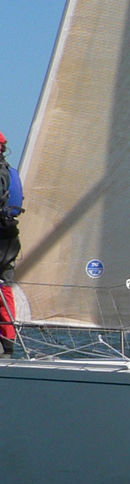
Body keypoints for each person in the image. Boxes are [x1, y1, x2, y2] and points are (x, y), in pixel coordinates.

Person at [0, 131, 22, 355]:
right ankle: (8, 344)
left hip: (1, 239)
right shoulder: (10, 172)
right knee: (5, 289)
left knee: (4, 289)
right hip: (9, 239)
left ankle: (6, 344)